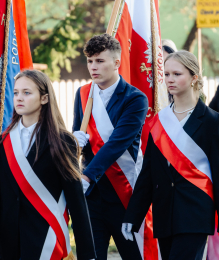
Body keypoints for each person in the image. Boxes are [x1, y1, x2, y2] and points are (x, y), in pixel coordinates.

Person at [121, 50, 219, 260]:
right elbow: (148, 172)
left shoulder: (212, 120)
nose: (170, 80)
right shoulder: (158, 120)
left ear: (194, 78)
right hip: (164, 212)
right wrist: (133, 215)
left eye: (177, 74)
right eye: (166, 74)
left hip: (196, 212)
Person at [0, 70, 96, 260]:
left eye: (27, 93)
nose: (19, 98)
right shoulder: (4, 141)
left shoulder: (63, 141)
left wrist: (87, 254)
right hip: (7, 243)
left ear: (44, 98)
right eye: (16, 93)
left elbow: (76, 202)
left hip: (45, 239)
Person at [72, 34, 148, 260]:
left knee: (133, 254)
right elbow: (79, 136)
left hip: (123, 192)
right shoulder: (83, 93)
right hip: (92, 196)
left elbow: (117, 143)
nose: (93, 67)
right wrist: (74, 141)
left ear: (116, 63)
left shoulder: (135, 98)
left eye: (100, 61)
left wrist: (86, 177)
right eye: (90, 61)